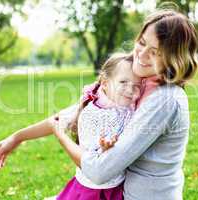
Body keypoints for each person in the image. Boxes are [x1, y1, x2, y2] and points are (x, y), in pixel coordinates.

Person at [0, 9, 198, 200]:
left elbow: (99, 171)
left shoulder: (166, 100)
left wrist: (60, 135)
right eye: (142, 43)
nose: (142, 55)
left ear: (174, 59)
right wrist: (18, 137)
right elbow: (78, 111)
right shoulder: (136, 75)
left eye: (155, 52)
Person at [52, 53, 141, 200]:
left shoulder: (127, 108)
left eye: (136, 85)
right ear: (105, 83)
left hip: (117, 185)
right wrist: (104, 148)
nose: (130, 90)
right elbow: (90, 160)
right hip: (94, 189)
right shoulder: (94, 114)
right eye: (123, 82)